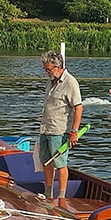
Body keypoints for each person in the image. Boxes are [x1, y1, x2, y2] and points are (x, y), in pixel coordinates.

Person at [39, 50, 83, 200]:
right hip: (46, 128)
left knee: (60, 163)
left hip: (60, 130)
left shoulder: (70, 83)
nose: (46, 72)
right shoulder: (51, 81)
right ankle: (48, 193)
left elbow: (78, 107)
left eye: (48, 69)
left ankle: (61, 197)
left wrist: (74, 131)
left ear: (58, 67)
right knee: (45, 161)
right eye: (45, 69)